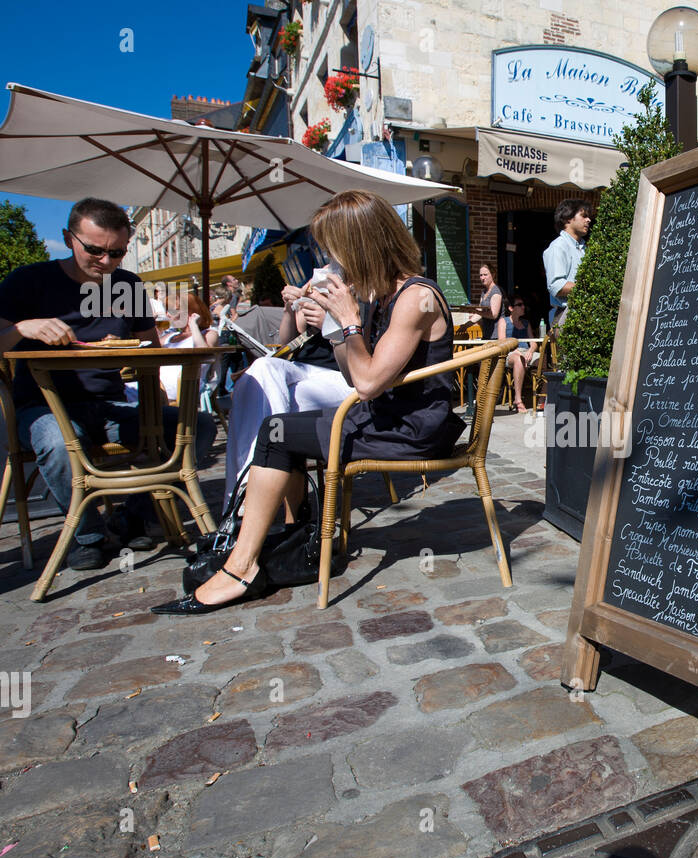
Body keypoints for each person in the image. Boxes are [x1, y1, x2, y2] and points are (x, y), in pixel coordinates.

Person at [153, 189, 465, 614]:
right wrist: (336, 328)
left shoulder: (415, 297)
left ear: (360, 244)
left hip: (412, 430)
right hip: (381, 418)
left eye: (333, 247)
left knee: (277, 433)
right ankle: (277, 543)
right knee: (280, 426)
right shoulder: (382, 296)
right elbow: (352, 373)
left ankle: (241, 564)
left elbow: (370, 382)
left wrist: (348, 321)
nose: (330, 258)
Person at [0, 197, 216, 569]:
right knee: (62, 442)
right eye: (95, 250)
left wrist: (153, 386)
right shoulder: (28, 283)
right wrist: (19, 328)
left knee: (198, 425)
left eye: (117, 253)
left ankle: (134, 516)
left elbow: (150, 350)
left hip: (111, 403)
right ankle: (88, 534)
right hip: (43, 405)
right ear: (68, 237)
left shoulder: (126, 285)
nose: (107, 262)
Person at [220, 276, 354, 509]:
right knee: (255, 376)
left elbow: (367, 350)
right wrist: (289, 309)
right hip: (304, 370)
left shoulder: (362, 289)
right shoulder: (319, 281)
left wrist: (330, 325)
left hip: (344, 376)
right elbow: (288, 340)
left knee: (264, 399)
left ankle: (247, 498)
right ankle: (247, 491)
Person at [543, 198, 592, 328]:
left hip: (585, 314)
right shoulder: (558, 247)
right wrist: (590, 288)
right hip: (566, 316)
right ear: (568, 219)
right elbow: (556, 285)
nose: (588, 220)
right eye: (584, 216)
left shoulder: (584, 248)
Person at [505, 296, 539, 413]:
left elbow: (533, 343)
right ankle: (518, 399)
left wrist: (531, 350)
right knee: (519, 360)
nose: (523, 307)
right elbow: (502, 342)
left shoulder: (526, 323)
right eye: (519, 305)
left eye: (523, 304)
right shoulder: (503, 321)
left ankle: (542, 400)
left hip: (526, 351)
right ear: (510, 308)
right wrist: (515, 351)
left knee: (543, 360)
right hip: (511, 352)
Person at [478, 263, 505, 340]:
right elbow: (480, 311)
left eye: (485, 275)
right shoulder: (484, 292)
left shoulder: (496, 291)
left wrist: (476, 312)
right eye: (481, 275)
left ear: (493, 275)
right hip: (487, 334)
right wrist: (466, 325)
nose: (482, 278)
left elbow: (493, 315)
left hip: (496, 336)